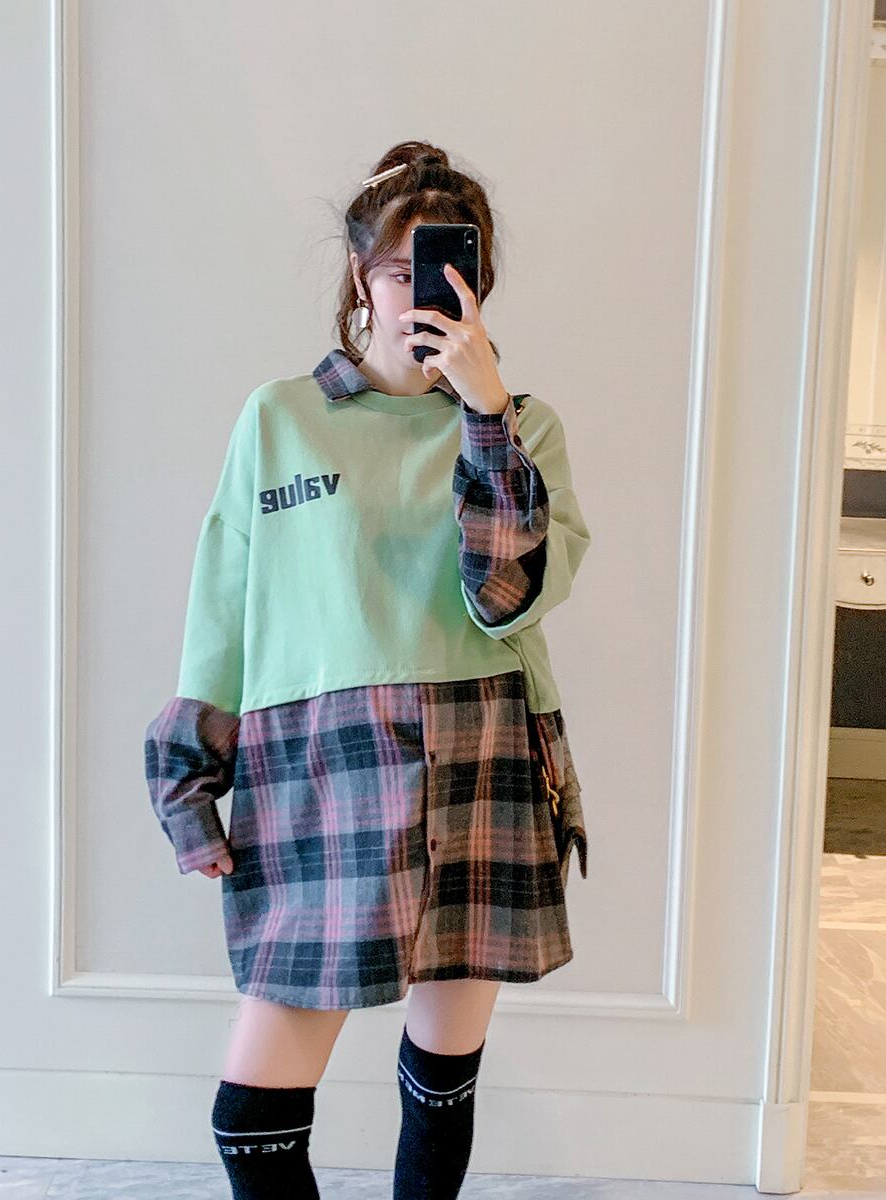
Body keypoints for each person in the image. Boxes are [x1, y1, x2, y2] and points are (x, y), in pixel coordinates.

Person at [144, 139, 591, 1200]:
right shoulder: (279, 419)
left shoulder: (526, 428)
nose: (420, 294)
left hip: (481, 757)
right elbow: (223, 605)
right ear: (360, 277)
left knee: (442, 1074)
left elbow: (504, 598)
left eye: (447, 270)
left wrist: (487, 417)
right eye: (398, 270)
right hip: (318, 775)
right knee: (252, 1116)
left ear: (478, 280)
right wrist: (188, 777)